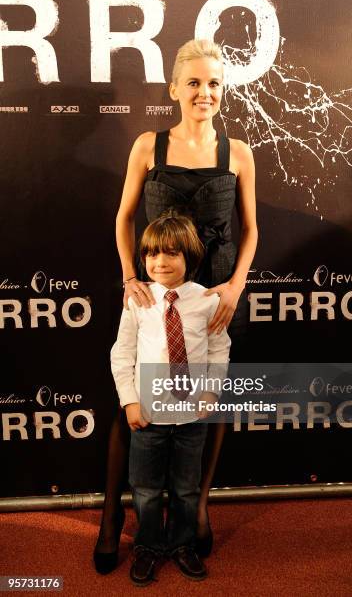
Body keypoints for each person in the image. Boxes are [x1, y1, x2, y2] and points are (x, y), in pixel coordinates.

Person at [94, 38, 258, 574]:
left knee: (210, 406)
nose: (204, 92)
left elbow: (251, 230)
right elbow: (123, 219)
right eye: (194, 83)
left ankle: (198, 506)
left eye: (214, 83)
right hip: (155, 289)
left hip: (212, 296)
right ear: (174, 89)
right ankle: (113, 516)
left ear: (222, 90)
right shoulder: (148, 145)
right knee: (137, 404)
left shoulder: (238, 152)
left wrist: (234, 287)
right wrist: (127, 280)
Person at [111, 212, 231, 585]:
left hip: (191, 417)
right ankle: (148, 545)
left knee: (186, 488)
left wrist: (211, 391)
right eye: (152, 255)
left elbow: (218, 350)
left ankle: (182, 544)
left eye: (171, 254)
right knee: (145, 489)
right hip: (147, 416)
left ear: (189, 257)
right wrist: (130, 400)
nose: (160, 262)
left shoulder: (207, 300)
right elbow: (122, 353)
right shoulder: (138, 301)